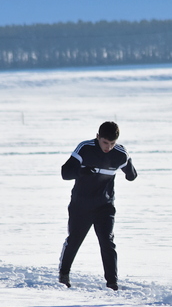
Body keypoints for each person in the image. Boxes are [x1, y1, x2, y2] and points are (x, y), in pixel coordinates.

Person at [58, 121, 137, 291]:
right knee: (74, 240)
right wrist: (81, 171)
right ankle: (64, 274)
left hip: (105, 206)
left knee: (107, 242)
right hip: (81, 205)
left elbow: (132, 174)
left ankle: (112, 282)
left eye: (112, 143)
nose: (108, 147)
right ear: (97, 137)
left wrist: (129, 171)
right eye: (105, 143)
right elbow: (65, 173)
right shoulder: (85, 148)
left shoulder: (120, 154)